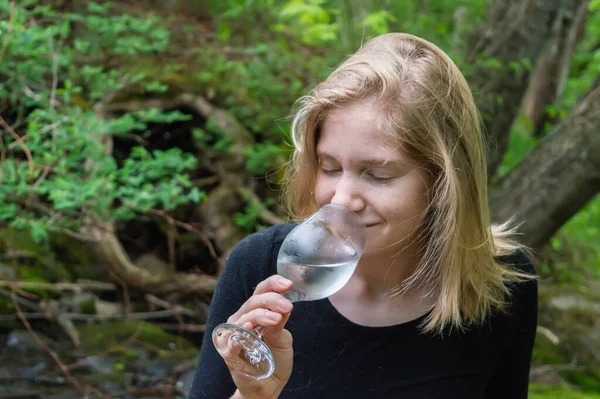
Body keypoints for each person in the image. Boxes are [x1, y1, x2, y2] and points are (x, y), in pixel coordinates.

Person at [188, 32, 538, 399]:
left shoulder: (502, 287)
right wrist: (254, 395)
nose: (341, 199)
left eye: (378, 175)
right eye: (329, 167)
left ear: (443, 183)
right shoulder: (259, 265)